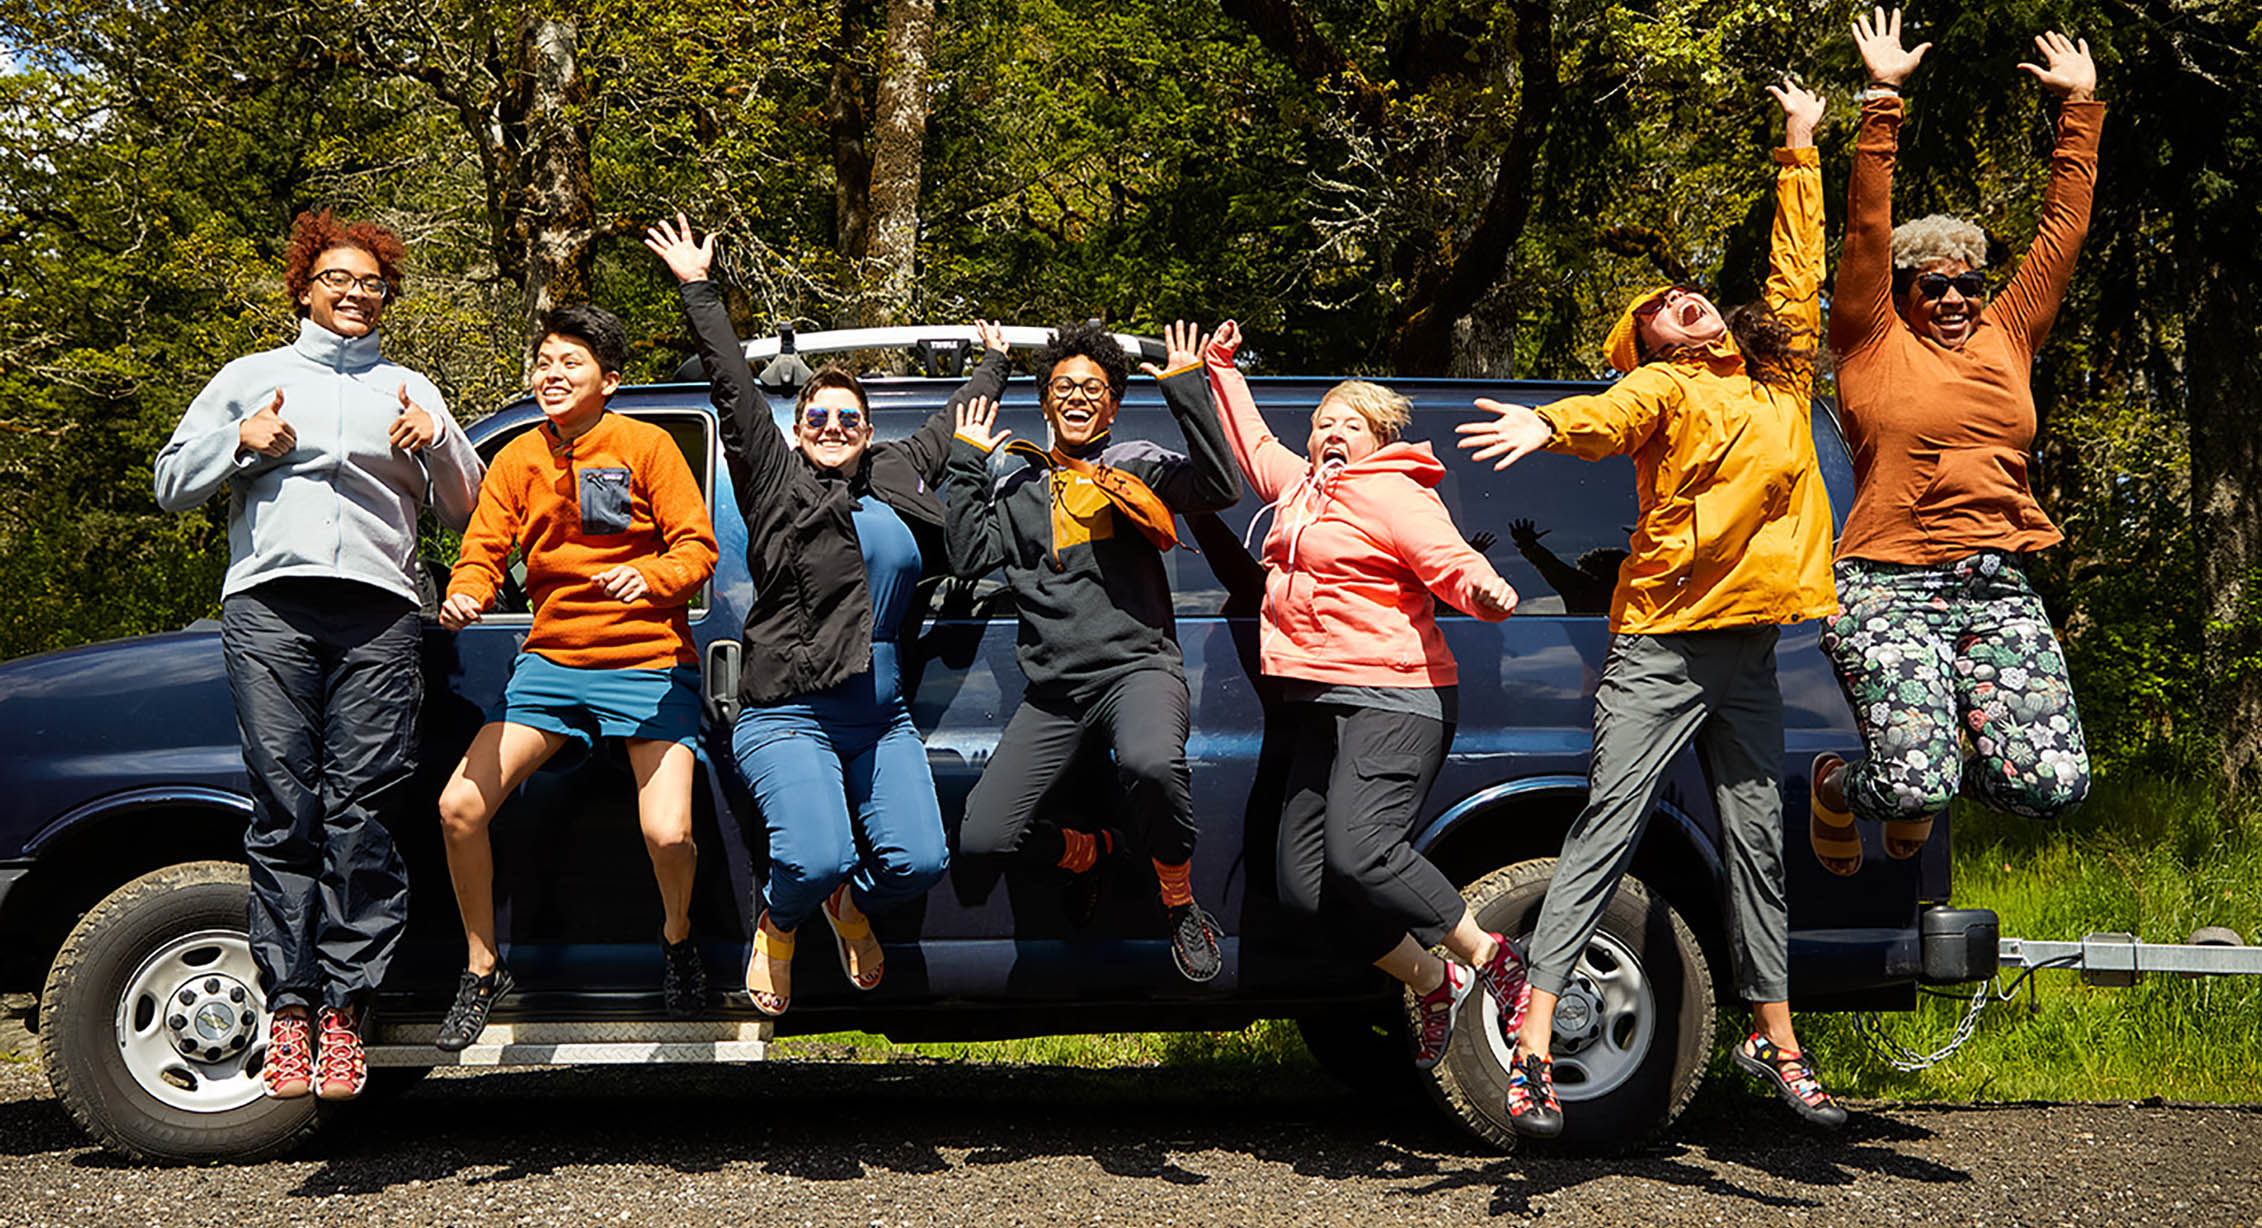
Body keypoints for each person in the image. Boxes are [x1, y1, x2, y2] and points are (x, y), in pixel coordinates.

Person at [1456, 81, 1846, 1135]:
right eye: (1668, 308)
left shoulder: (1782, 383)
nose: (1691, 299)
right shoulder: (1667, 393)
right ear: (1654, 344)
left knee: (1756, 843)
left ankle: (1778, 1035)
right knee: (1608, 828)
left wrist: (1800, 147)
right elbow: (1612, 409)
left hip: (1750, 652)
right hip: (1662, 649)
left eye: (1691, 293)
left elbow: (1796, 273)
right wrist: (1550, 428)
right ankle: (1532, 1042)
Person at [154, 210, 485, 1100]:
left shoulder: (410, 389)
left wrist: (439, 440)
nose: (356, 294)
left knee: (362, 812)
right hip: (271, 609)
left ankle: (345, 1014)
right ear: (304, 288)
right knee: (285, 805)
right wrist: (238, 445)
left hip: (380, 615)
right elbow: (169, 486)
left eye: (373, 284)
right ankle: (288, 1008)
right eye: (339, 279)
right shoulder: (251, 379)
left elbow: (467, 509)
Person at [645, 215, 1001, 1014]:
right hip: (788, 710)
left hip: (880, 715)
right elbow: (733, 387)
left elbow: (952, 428)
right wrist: (698, 289)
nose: (833, 428)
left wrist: (996, 362)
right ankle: (783, 919)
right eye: (817, 419)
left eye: (849, 419)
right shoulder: (775, 483)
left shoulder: (896, 474)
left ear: (870, 432)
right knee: (810, 857)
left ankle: (851, 907)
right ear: (797, 433)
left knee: (916, 862)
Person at [1807, 9, 2098, 877]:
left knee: (2053, 784)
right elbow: (1865, 230)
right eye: (1934, 285)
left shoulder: (2009, 336)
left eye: (1970, 282)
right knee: (1908, 782)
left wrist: (2080, 110)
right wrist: (1882, 100)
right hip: (1885, 581)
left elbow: (2062, 236)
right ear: (1902, 292)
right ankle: (1843, 786)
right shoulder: (1868, 342)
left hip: (1992, 582)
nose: (1957, 298)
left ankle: (1924, 780)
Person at [1199, 320, 1528, 1069]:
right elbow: (1253, 447)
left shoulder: (1394, 492)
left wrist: (1482, 591)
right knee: (1304, 885)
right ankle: (1434, 980)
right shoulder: (1301, 489)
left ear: (1379, 439)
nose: (1332, 433)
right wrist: (1220, 367)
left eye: (1350, 423)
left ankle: (1494, 957)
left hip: (1393, 698)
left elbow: (1448, 562)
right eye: (1322, 424)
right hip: (1320, 705)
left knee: (1363, 855)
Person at [430, 303, 719, 1049]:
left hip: (651, 661)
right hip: (553, 664)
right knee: (459, 806)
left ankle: (677, 938)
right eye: (545, 363)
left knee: (670, 834)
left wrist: (651, 579)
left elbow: (697, 549)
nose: (552, 376)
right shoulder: (518, 459)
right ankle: (482, 967)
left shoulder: (647, 445)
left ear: (609, 381)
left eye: (572, 364)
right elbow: (483, 550)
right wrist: (467, 590)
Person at [942, 320, 1242, 982]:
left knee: (1153, 763)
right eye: (1063, 386)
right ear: (1045, 400)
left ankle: (1178, 897)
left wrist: (1187, 388)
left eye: (1094, 387)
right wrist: (966, 460)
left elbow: (1222, 488)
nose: (1078, 397)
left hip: (1138, 671)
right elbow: (966, 557)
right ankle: (1093, 851)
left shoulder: (1137, 464)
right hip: (1055, 694)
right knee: (983, 837)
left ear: (1112, 402)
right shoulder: (1015, 489)